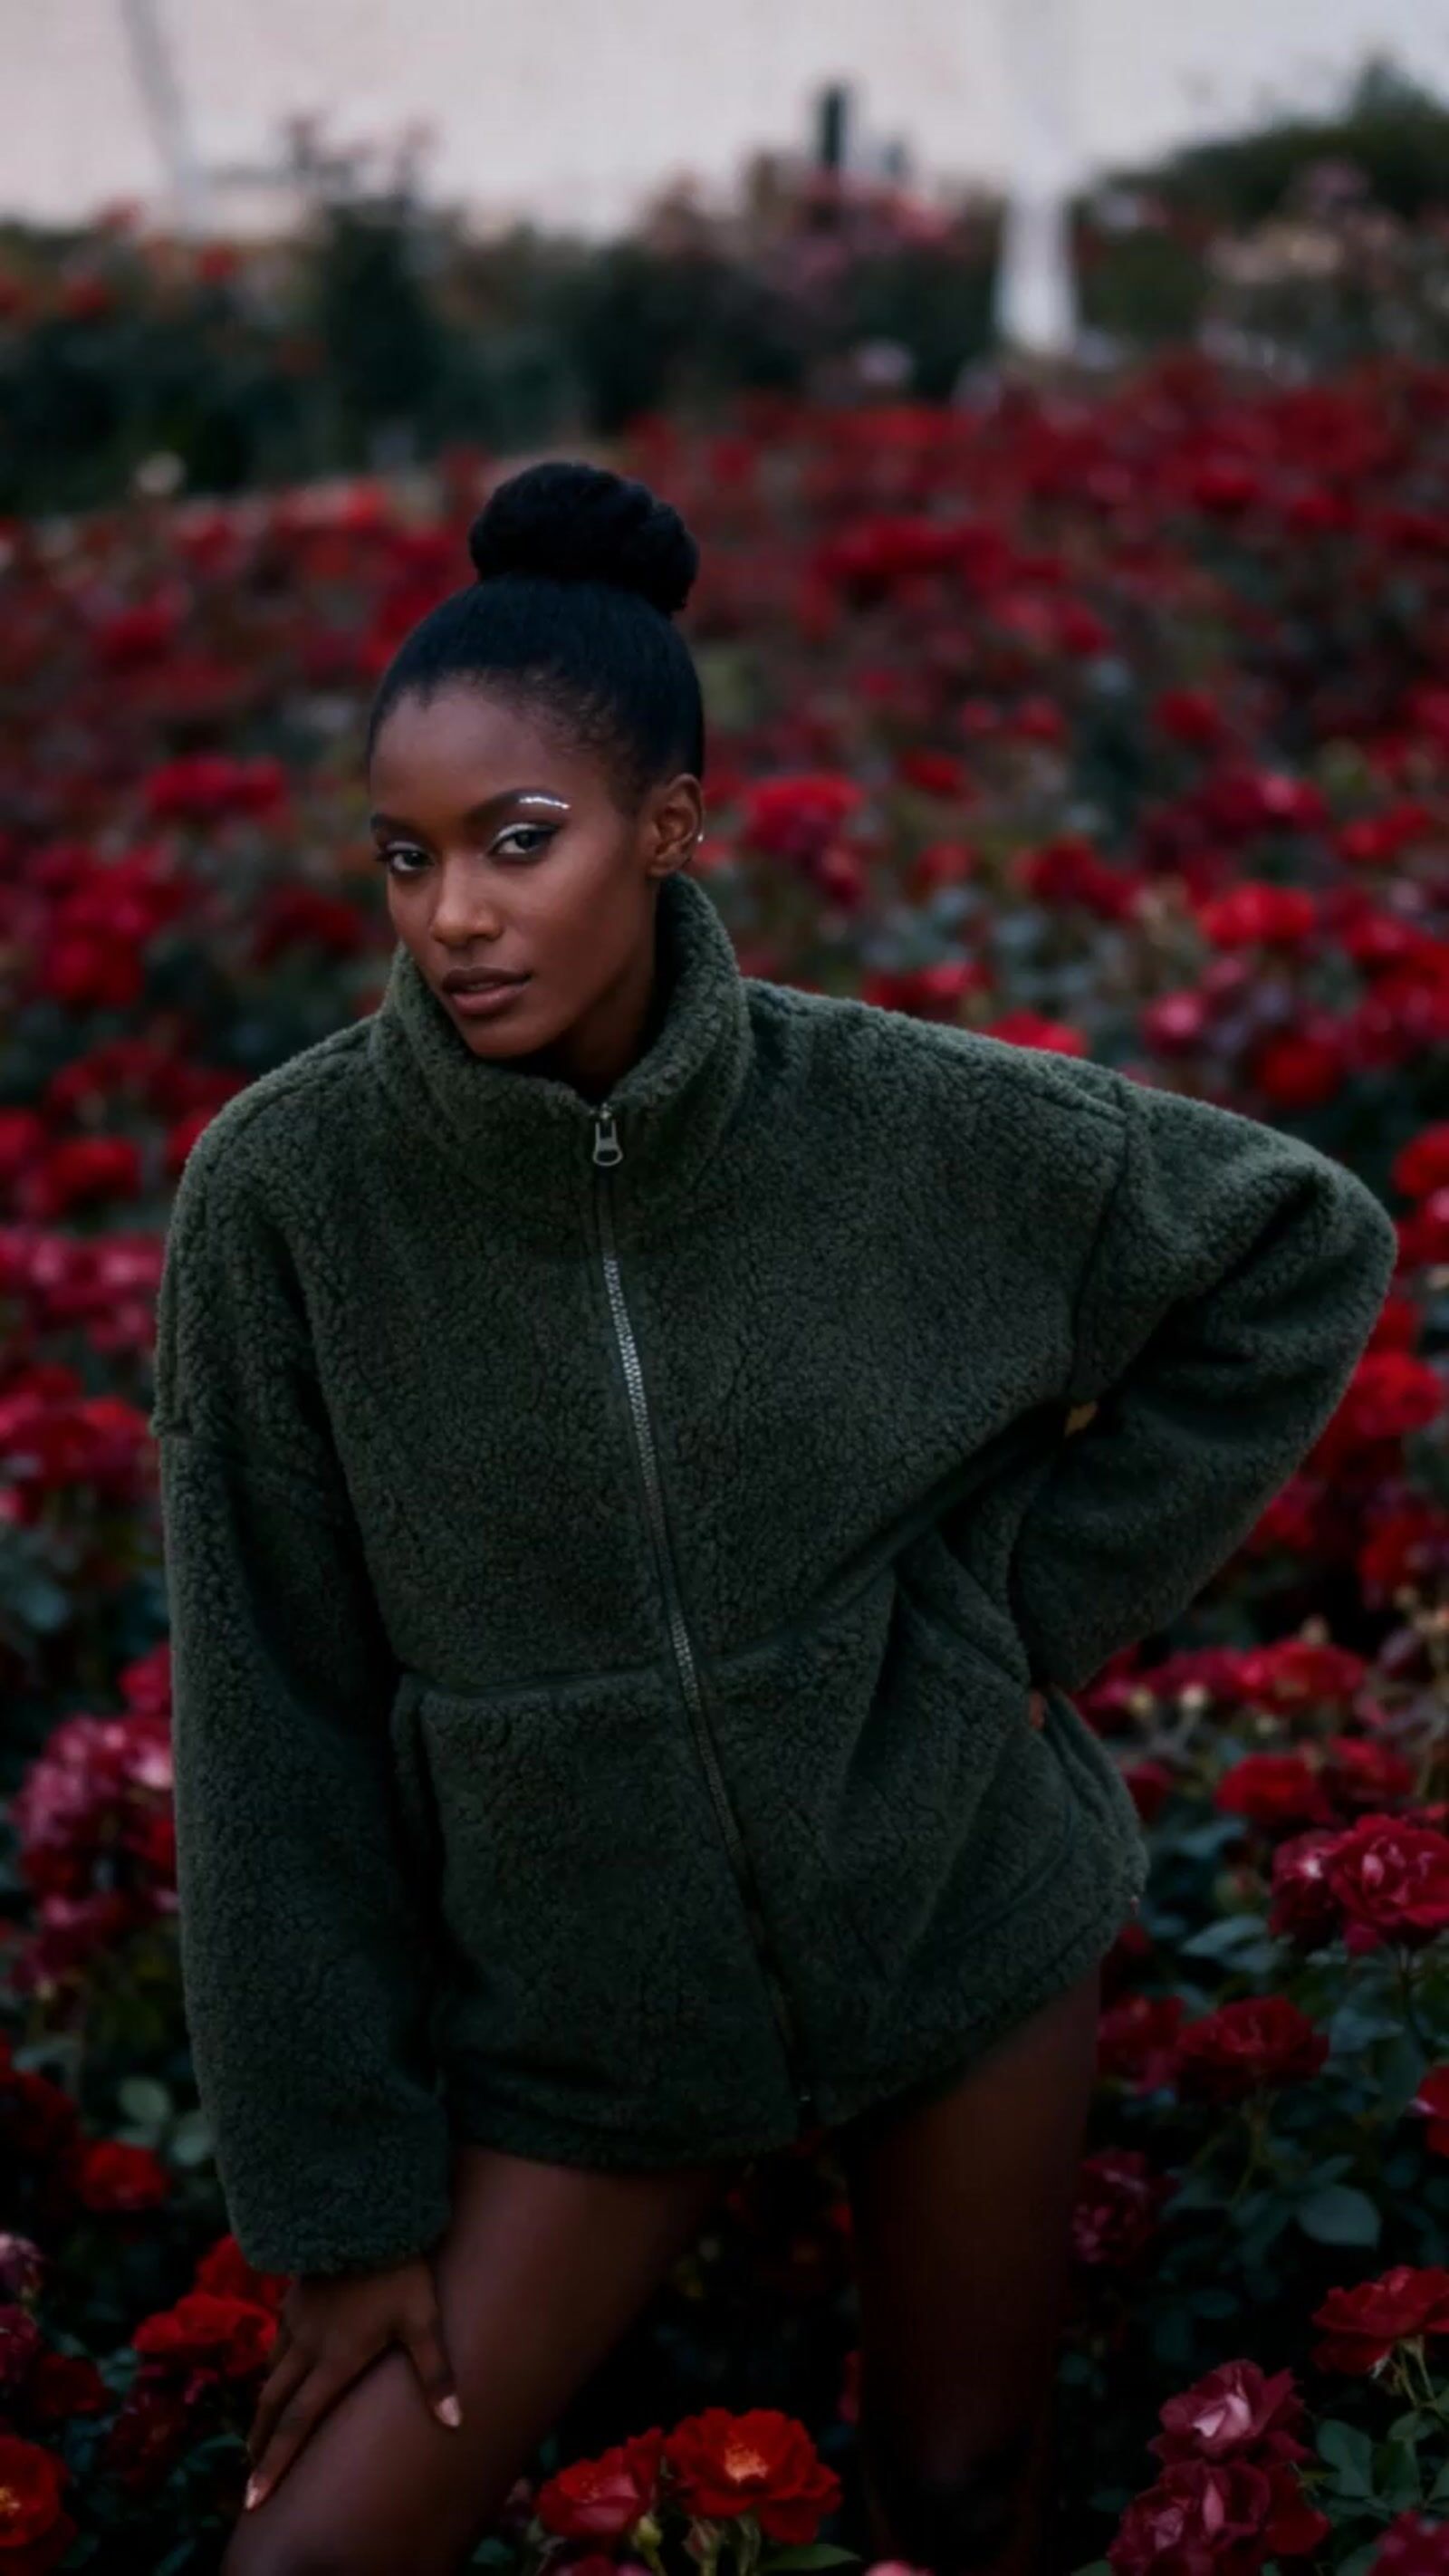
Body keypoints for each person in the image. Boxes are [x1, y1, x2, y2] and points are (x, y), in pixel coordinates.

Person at [149, 459, 1399, 2576]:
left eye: (515, 844)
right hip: (574, 2035)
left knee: (949, 2492)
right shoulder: (286, 1203)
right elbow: (267, 1720)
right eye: (404, 859)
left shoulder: (896, 1118)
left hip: (947, 1927)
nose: (453, 914)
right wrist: (339, 2213)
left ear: (670, 830)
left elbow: (1295, 1247)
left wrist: (1012, 1609)